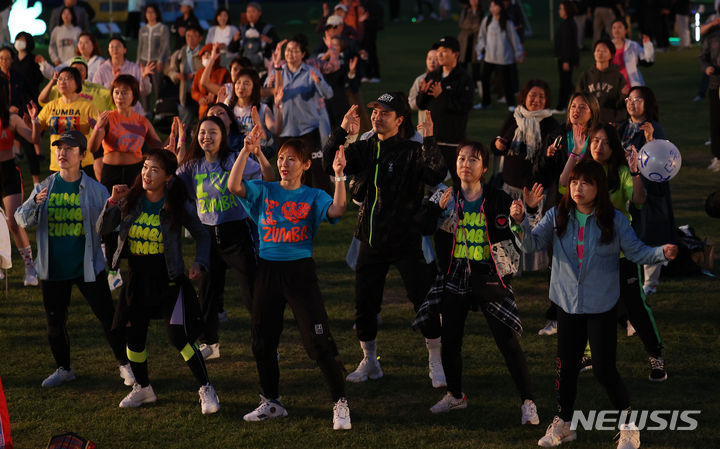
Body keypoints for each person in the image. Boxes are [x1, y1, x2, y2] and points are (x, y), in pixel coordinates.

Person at [515, 160, 676, 448]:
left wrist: (661, 253)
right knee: (565, 370)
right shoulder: (557, 215)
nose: (577, 188)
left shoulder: (615, 220)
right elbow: (529, 246)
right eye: (574, 182)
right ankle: (564, 424)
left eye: (586, 183)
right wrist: (524, 217)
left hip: (601, 306)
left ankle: (629, 427)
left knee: (604, 369)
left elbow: (638, 252)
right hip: (567, 305)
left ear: (598, 187)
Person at [227, 128, 352, 430]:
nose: (284, 164)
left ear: (306, 165)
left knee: (318, 342)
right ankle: (272, 402)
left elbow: (338, 209)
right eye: (281, 158)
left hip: (300, 273)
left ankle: (340, 403)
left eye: (292, 159)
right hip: (267, 271)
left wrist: (338, 176)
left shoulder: (312, 195)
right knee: (262, 341)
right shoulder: (264, 190)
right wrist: (247, 150)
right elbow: (233, 185)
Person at [323, 96, 447, 387]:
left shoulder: (413, 150)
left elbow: (437, 173)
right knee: (364, 304)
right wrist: (341, 131)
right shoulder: (365, 147)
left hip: (407, 239)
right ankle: (370, 361)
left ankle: (436, 361)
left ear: (400, 120)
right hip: (371, 237)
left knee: (423, 302)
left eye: (385, 113)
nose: (377, 117)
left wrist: (429, 138)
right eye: (375, 111)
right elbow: (332, 164)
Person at [415, 141, 539, 425]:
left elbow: (525, 238)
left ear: (484, 168)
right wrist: (436, 210)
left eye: (473, 160)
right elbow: (421, 226)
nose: (465, 164)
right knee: (450, 341)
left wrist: (521, 216)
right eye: (461, 158)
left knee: (506, 340)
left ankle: (528, 401)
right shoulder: (445, 196)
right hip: (455, 273)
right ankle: (455, 395)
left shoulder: (498, 198)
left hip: (489, 274)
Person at [97, 149, 219, 414]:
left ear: (167, 177)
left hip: (169, 279)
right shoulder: (130, 199)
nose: (146, 174)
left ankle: (206, 387)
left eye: (154, 170)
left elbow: (203, 235)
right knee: (133, 336)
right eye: (144, 167)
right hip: (137, 278)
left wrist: (199, 262)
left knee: (180, 338)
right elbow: (103, 229)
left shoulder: (176, 203)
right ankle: (143, 388)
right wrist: (112, 202)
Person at [15, 130, 134, 388]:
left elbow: (109, 227)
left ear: (82, 155)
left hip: (87, 266)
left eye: (69, 148)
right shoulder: (45, 187)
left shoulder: (95, 189)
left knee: (108, 318)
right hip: (53, 268)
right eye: (59, 148)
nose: (62, 153)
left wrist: (114, 205)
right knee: (55, 324)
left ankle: (126, 366)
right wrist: (35, 202)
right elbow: (21, 219)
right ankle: (64, 369)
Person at [561, 123, 667, 382]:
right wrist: (575, 152)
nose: (599, 146)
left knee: (634, 307)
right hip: (589, 253)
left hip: (620, 253)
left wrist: (635, 172)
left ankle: (656, 356)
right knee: (587, 306)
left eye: (605, 142)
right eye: (595, 140)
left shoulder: (621, 172)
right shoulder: (582, 171)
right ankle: (587, 354)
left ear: (614, 147)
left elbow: (639, 199)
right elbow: (564, 185)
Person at [176, 116, 272, 360]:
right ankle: (210, 343)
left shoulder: (232, 160)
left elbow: (265, 177)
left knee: (252, 290)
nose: (206, 136)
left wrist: (258, 153)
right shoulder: (193, 165)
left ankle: (266, 342)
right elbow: (173, 182)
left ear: (222, 136)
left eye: (213, 132)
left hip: (236, 233)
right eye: (202, 132)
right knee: (207, 292)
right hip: (207, 236)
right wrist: (176, 150)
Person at [88, 74, 164, 288]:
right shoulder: (108, 117)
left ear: (134, 95)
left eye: (125, 92)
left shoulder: (142, 120)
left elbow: (158, 146)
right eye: (117, 92)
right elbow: (93, 148)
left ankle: (135, 262)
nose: (120, 96)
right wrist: (97, 128)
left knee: (134, 215)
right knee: (112, 217)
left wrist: (177, 137)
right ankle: (112, 269)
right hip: (111, 171)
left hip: (136, 172)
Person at [534, 91, 599, 336]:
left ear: (592, 112)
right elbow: (539, 174)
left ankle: (614, 314)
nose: (576, 111)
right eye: (573, 106)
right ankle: (556, 317)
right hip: (560, 205)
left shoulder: (597, 138)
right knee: (558, 264)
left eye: (583, 107)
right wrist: (546, 157)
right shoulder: (557, 136)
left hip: (590, 207)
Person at [491, 80, 559, 272]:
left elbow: (551, 159)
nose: (536, 100)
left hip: (534, 189)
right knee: (507, 227)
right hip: (510, 185)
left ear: (546, 100)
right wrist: (498, 145)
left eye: (541, 97)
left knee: (530, 228)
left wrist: (547, 153)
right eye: (532, 95)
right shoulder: (514, 117)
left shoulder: (550, 124)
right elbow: (497, 145)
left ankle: (531, 266)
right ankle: (509, 265)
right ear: (524, 97)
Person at [614, 86, 675, 296]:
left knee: (650, 232)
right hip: (624, 185)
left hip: (649, 186)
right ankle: (629, 277)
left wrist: (650, 140)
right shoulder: (622, 127)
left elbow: (662, 158)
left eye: (638, 100)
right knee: (629, 230)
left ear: (647, 104)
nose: (632, 103)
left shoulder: (655, 128)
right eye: (629, 99)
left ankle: (650, 283)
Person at [267, 35, 334, 192]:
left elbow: (328, 93)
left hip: (307, 129)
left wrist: (317, 82)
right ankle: (288, 199)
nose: (290, 54)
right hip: (284, 129)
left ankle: (324, 202)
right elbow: (264, 94)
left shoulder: (311, 72)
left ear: (303, 54)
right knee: (285, 167)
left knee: (313, 166)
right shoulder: (277, 72)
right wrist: (269, 88)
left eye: (295, 51)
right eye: (288, 50)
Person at [416, 36, 474, 182]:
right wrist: (422, 94)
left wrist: (442, 96)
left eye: (444, 51)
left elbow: (464, 107)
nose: (439, 54)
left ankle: (461, 205)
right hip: (432, 139)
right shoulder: (433, 75)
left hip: (452, 142)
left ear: (456, 54)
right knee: (431, 180)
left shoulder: (463, 78)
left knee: (458, 181)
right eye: (439, 51)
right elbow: (421, 105)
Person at [0, 88, 39, 285]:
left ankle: (30, 268)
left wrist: (34, 121)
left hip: (7, 172)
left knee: (13, 222)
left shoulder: (11, 119)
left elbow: (34, 139)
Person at [35, 67, 98, 179]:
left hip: (82, 163)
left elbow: (99, 129)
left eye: (68, 78)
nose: (62, 82)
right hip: (57, 164)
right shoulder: (51, 106)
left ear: (78, 83)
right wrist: (32, 121)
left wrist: (98, 126)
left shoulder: (87, 106)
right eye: (60, 79)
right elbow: (37, 130)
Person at [475, 0, 524, 110]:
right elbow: (481, 37)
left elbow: (514, 39)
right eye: (491, 6)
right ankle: (486, 103)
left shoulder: (507, 22)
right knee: (484, 80)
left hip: (504, 58)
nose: (492, 8)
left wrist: (518, 53)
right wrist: (479, 50)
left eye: (495, 6)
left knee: (506, 82)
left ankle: (511, 104)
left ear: (500, 8)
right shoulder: (487, 20)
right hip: (489, 58)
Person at [9, 34, 44, 186]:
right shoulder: (13, 60)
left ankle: (36, 177)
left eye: (23, 40)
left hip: (28, 102)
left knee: (30, 137)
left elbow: (38, 80)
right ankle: (17, 152)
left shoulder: (32, 60)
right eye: (18, 39)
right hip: (15, 103)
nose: (20, 43)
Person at [93, 37, 154, 116]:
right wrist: (114, 83)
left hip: (133, 111)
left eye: (118, 46)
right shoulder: (102, 69)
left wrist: (144, 77)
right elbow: (97, 93)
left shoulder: (134, 68)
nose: (115, 49)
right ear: (108, 50)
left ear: (125, 50)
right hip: (110, 111)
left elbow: (145, 91)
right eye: (112, 47)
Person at [38, 57, 114, 117]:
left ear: (86, 73)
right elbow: (42, 99)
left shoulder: (97, 89)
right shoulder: (62, 88)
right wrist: (52, 81)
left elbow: (113, 98)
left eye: (81, 70)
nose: (77, 72)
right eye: (74, 70)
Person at [576, 38, 627, 124]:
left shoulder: (618, 77)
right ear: (594, 53)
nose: (600, 53)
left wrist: (624, 94)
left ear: (611, 55)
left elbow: (621, 104)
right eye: (598, 50)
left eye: (604, 51)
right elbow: (578, 98)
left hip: (611, 121)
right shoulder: (586, 76)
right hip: (589, 121)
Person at [226, 2, 280, 77]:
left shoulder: (268, 29)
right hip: (244, 69)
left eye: (253, 11)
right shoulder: (242, 29)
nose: (250, 14)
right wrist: (234, 40)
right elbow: (231, 49)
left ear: (259, 13)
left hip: (263, 69)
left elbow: (277, 47)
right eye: (248, 12)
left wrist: (269, 41)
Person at [166, 25, 203, 126]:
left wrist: (195, 75)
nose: (190, 39)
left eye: (194, 36)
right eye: (188, 36)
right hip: (185, 91)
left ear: (200, 38)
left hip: (201, 92)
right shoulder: (179, 53)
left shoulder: (204, 53)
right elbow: (170, 70)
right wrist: (177, 75)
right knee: (185, 115)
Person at [137, 4, 171, 111]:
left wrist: (161, 60)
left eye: (152, 12)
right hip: (144, 61)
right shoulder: (143, 29)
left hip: (156, 62)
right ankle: (145, 110)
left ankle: (158, 110)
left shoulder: (162, 28)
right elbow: (140, 46)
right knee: (143, 87)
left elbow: (165, 45)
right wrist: (138, 61)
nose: (150, 14)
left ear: (157, 14)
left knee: (157, 87)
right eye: (148, 12)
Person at [38, 32, 106, 82]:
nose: (82, 45)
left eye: (86, 43)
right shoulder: (73, 61)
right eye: (80, 42)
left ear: (93, 45)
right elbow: (55, 73)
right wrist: (43, 63)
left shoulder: (100, 62)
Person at [610, 19, 654, 87]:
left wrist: (647, 44)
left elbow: (648, 60)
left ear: (626, 30)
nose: (616, 30)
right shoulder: (607, 46)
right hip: (614, 86)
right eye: (614, 28)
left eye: (619, 27)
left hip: (633, 85)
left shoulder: (633, 45)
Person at [701, 17, 720, 171]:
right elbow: (703, 57)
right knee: (716, 121)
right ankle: (717, 156)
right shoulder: (713, 34)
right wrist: (707, 68)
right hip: (716, 84)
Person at [192, 44, 231, 120]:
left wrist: (215, 93)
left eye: (209, 54)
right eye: (204, 54)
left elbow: (228, 89)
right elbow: (194, 91)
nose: (206, 57)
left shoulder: (223, 72)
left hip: (219, 106)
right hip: (204, 108)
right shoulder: (199, 73)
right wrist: (201, 98)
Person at [553, 2, 580, 114]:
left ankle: (561, 106)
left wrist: (565, 60)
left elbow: (567, 44)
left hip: (565, 59)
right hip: (568, 58)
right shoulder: (571, 23)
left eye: (561, 9)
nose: (559, 11)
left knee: (565, 83)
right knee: (566, 82)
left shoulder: (567, 25)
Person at [457, 0, 483, 103]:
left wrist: (472, 27)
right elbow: (462, 24)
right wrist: (473, 27)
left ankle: (476, 85)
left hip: (475, 41)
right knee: (463, 63)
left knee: (475, 64)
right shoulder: (466, 11)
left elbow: (481, 26)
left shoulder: (481, 12)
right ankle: (464, 84)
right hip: (465, 41)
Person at [408, 47, 439, 125]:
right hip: (423, 126)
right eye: (429, 58)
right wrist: (421, 97)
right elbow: (411, 103)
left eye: (436, 59)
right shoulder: (420, 80)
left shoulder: (444, 80)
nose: (432, 62)